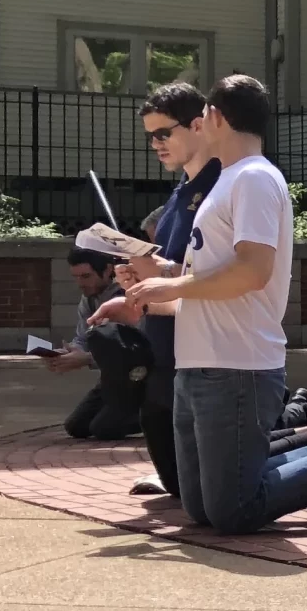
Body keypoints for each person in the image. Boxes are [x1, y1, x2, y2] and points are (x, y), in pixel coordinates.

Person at [119, 73, 307, 533]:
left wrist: (172, 287)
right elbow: (212, 285)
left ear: (215, 117)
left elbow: (253, 272)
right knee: (201, 508)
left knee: (234, 510)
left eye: (201, 117)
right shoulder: (228, 182)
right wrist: (153, 288)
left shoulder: (255, 179)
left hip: (238, 366)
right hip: (197, 362)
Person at [108, 82, 222, 498]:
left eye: (163, 133)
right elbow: (171, 267)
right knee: (178, 478)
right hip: (165, 344)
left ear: (197, 125)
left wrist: (157, 278)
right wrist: (137, 282)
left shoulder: (221, 187)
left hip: (202, 349)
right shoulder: (180, 192)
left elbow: (212, 275)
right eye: (150, 136)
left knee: (218, 476)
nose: (155, 144)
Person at [52, 246, 147, 441]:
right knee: (76, 426)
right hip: (111, 381)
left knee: (103, 428)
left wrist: (86, 359)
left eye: (86, 276)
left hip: (137, 379)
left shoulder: (128, 296)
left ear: (107, 271)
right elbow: (83, 338)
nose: (80, 283)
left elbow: (136, 351)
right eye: (76, 277)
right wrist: (68, 354)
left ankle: (157, 414)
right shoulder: (89, 298)